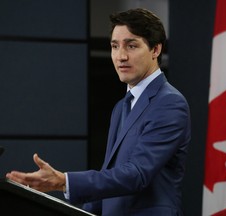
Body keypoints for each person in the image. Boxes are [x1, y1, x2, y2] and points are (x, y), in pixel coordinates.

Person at [6, 8, 192, 216]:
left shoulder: (169, 103)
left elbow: (136, 174)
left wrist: (64, 181)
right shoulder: (121, 107)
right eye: (114, 46)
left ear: (155, 50)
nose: (121, 56)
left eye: (131, 46)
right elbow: (110, 174)